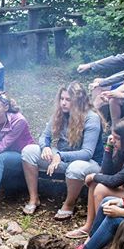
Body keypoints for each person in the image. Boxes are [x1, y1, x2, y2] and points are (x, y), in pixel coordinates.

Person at [21, 82, 103, 219]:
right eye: (62, 99)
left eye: (68, 100)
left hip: (88, 162)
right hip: (61, 158)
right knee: (29, 151)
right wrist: (46, 147)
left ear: (78, 101)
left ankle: (69, 205)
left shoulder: (91, 118)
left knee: (76, 168)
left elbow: (87, 152)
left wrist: (60, 155)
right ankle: (34, 198)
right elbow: (44, 136)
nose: (63, 103)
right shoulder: (60, 113)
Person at [65, 117, 124, 239]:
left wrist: (94, 176)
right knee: (95, 184)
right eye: (113, 137)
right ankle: (89, 227)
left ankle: (99, 235)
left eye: (117, 139)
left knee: (100, 188)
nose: (114, 140)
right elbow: (107, 172)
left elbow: (115, 181)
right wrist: (109, 148)